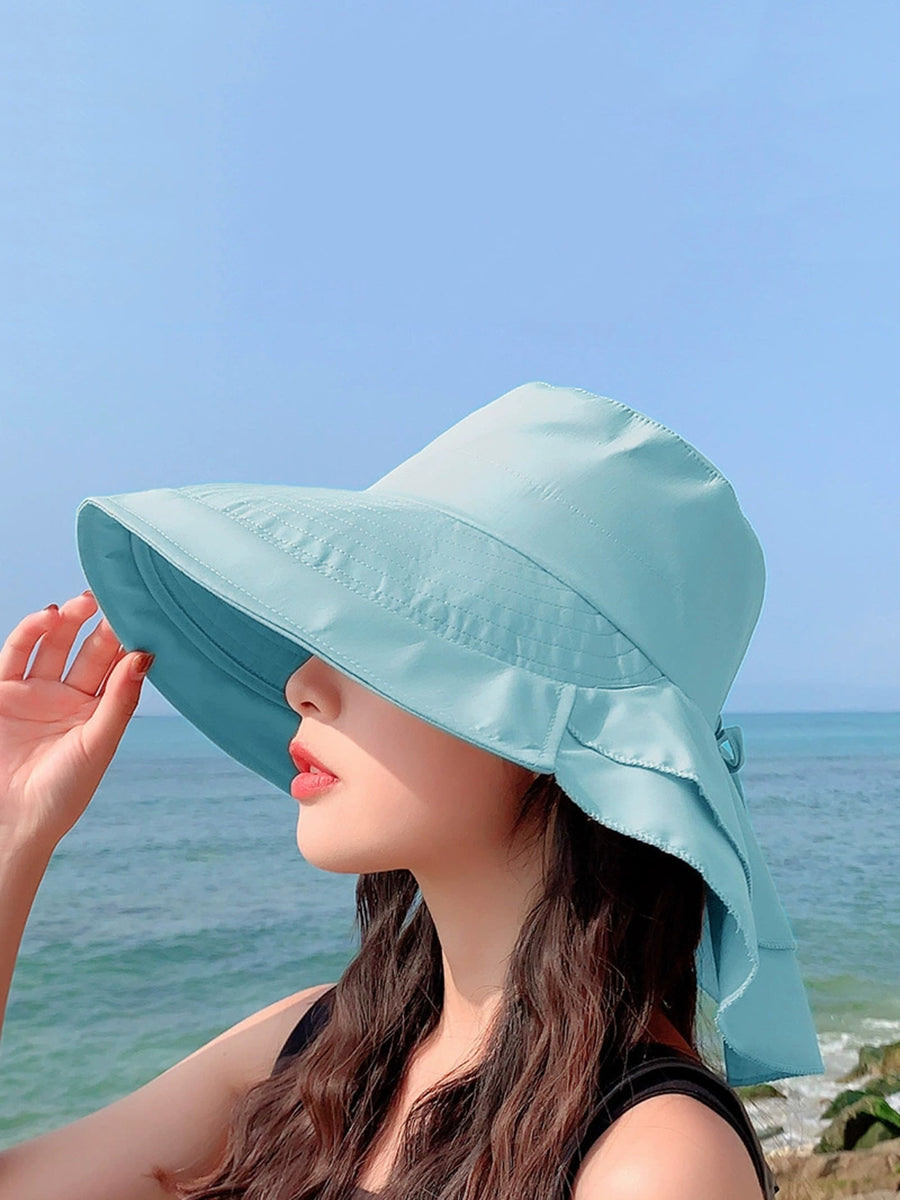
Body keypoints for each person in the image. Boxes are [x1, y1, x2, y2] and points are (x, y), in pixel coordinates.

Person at [0, 382, 820, 1198]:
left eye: (384, 639)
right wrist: (13, 831)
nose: (301, 684)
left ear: (556, 726)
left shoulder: (653, 1161)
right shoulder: (311, 1056)